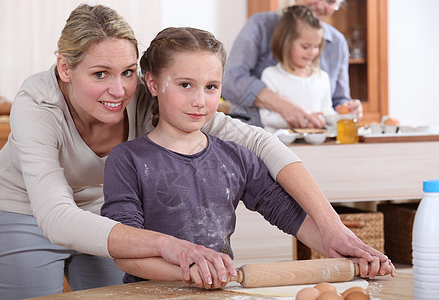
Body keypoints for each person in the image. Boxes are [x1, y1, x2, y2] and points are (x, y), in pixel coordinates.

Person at [0, 3, 391, 299]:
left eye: (128, 72)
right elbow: (56, 217)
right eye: (100, 75)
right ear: (64, 69)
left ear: (144, 76)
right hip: (27, 211)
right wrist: (173, 247)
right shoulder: (37, 104)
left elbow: (258, 143)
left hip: (103, 215)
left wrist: (333, 230)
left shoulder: (150, 96)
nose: (119, 91)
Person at [101, 26, 394, 289]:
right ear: (152, 84)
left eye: (211, 87)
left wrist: (345, 249)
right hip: (147, 293)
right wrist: (191, 272)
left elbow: (288, 214)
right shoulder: (127, 160)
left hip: (216, 293)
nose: (200, 101)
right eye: (185, 85)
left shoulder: (236, 158)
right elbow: (125, 253)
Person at [223, 0, 363, 129]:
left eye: (330, 1)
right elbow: (229, 80)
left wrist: (347, 109)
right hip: (252, 132)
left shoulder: (337, 43)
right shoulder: (261, 25)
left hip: (312, 137)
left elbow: (338, 100)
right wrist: (284, 106)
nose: (321, 5)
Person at [259, 6, 336, 133]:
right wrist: (306, 120)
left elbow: (326, 112)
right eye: (305, 47)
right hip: (280, 146)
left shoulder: (322, 77)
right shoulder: (271, 75)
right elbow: (267, 118)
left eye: (316, 46)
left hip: (312, 145)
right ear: (286, 43)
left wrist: (343, 116)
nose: (312, 52)